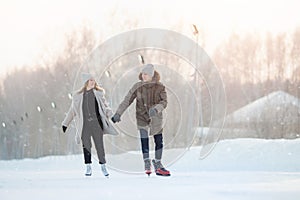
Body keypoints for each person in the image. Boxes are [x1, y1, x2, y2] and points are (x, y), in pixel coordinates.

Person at [111, 64, 170, 176]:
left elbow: (164, 102)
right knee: (144, 138)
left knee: (158, 140)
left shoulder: (160, 87)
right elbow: (127, 100)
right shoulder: (137, 86)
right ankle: (147, 162)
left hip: (156, 116)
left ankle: (158, 163)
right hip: (142, 116)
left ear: (151, 75)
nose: (143, 76)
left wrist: (156, 109)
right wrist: (118, 113)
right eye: (142, 74)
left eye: (146, 74)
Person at [62, 73, 117, 177]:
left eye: (93, 80)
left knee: (99, 145)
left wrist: (113, 115)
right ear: (86, 82)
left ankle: (103, 166)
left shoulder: (99, 94)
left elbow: (105, 107)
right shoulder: (78, 96)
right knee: (86, 146)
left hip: (96, 123)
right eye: (90, 80)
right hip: (85, 125)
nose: (93, 82)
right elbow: (72, 111)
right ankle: (88, 166)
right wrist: (65, 123)